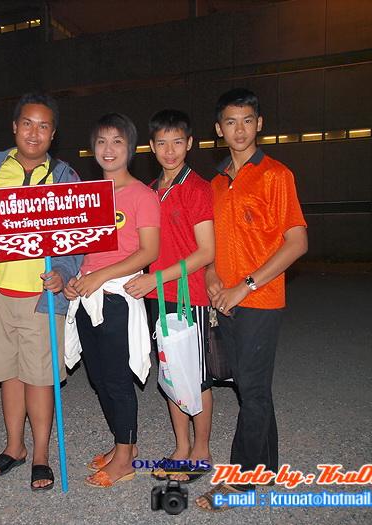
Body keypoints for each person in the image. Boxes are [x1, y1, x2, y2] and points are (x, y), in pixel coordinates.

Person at [194, 88, 308, 511]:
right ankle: (267, 468)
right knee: (250, 386)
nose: (239, 129)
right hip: (225, 300)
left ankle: (240, 482)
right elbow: (214, 245)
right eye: (230, 121)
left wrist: (245, 285)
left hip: (260, 298)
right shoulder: (216, 182)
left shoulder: (276, 175)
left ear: (259, 124)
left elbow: (297, 242)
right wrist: (211, 274)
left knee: (254, 389)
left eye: (247, 120)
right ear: (218, 128)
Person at [0, 93, 81, 491]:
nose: (34, 132)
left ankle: (42, 454)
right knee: (8, 375)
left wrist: (63, 272)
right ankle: (15, 447)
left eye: (43, 126)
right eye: (27, 123)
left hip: (41, 298)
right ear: (14, 127)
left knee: (40, 378)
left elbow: (76, 238)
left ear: (53, 133)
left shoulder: (64, 177)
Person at [64, 113, 160, 488]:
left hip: (117, 298)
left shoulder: (142, 195)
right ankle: (124, 445)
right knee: (99, 379)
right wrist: (73, 280)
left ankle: (124, 459)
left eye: (117, 141)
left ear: (130, 148)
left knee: (118, 381)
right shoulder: (89, 196)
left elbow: (148, 251)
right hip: (86, 296)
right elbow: (81, 250)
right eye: (101, 141)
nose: (109, 149)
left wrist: (102, 276)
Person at [124, 109, 216, 483]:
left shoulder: (197, 188)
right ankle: (181, 447)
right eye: (162, 143)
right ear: (151, 146)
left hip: (189, 297)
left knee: (196, 376)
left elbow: (206, 252)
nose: (170, 150)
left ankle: (202, 450)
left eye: (178, 142)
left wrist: (156, 279)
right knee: (171, 374)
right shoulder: (150, 191)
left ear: (189, 143)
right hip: (157, 298)